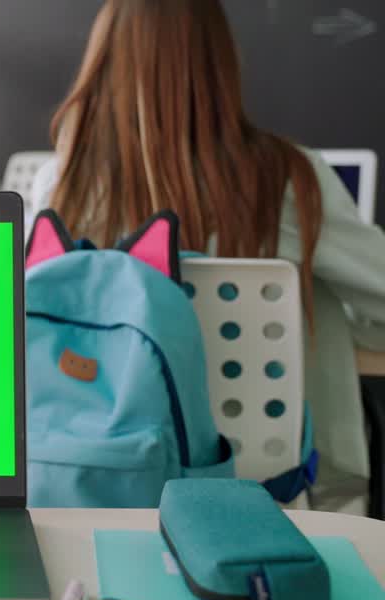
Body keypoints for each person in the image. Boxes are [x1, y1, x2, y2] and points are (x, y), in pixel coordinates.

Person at [26, 0, 385, 513]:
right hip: (278, 491)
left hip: (105, 488)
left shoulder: (59, 188)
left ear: (101, 63)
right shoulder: (289, 178)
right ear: (222, 66)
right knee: (319, 306)